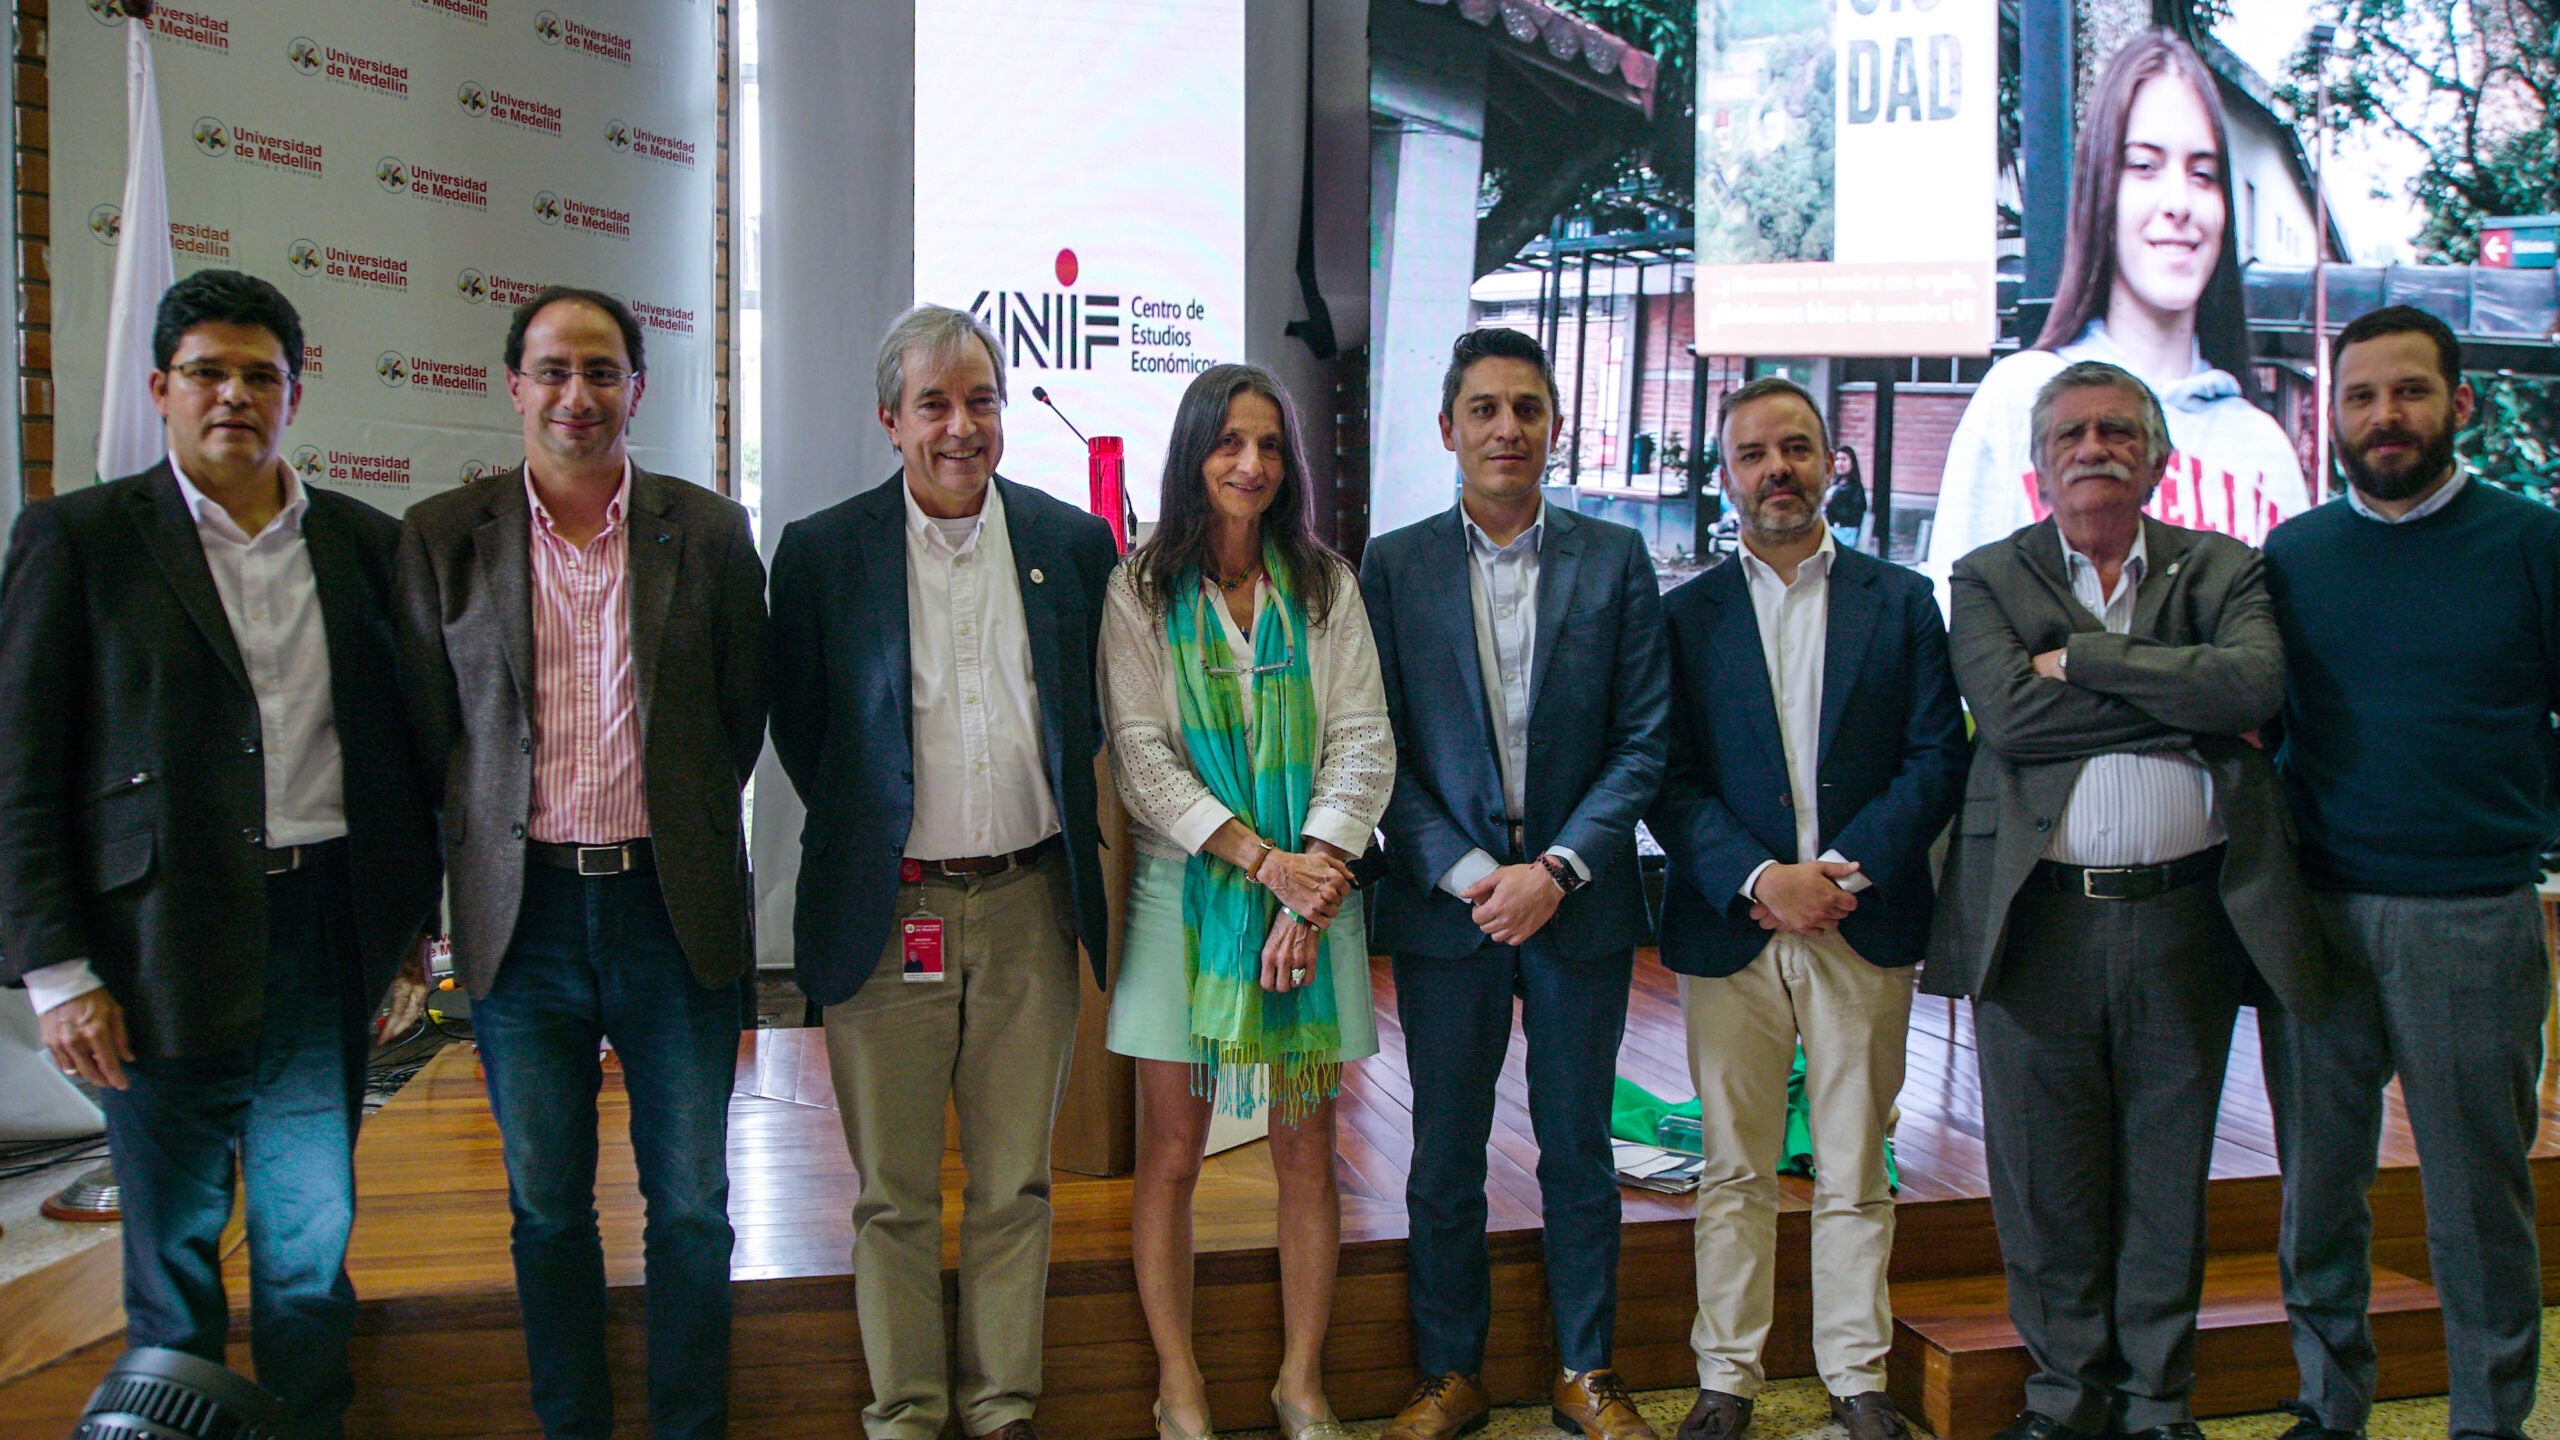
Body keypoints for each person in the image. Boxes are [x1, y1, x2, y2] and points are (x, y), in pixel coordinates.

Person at [0, 270, 440, 1439]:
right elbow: (22, 769)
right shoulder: (79, 541)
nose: (234, 396)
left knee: (308, 1252)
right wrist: (57, 974)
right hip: (151, 956)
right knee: (175, 1256)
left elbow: (405, 760)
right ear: (160, 388)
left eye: (260, 376)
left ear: (294, 395)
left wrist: (409, 936)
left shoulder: (364, 544)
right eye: (208, 373)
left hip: (321, 937)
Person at [1922, 359, 2327, 1440]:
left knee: (2164, 1177)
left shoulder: (2226, 566)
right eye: (2069, 433)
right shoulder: (1986, 574)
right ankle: (2063, 1403)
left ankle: (2156, 1406)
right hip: (2038, 920)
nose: (2091, 446)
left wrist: (2087, 661)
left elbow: (2250, 689)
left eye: (2114, 430)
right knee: (2044, 1187)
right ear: (2040, 463)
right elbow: (2010, 720)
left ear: (2157, 457)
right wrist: (2175, 699)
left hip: (2186, 922)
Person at [396, 287, 766, 1440]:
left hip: (672, 905)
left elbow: (737, 717)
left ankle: (686, 1427)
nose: (577, 395)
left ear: (636, 390)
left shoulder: (705, 533)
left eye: (601, 372)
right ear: (513, 386)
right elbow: (425, 739)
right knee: (548, 1209)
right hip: (525, 918)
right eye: (553, 370)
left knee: (692, 1209)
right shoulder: (441, 538)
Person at [766, 305, 1117, 1440]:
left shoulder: (1072, 545)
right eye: (934, 403)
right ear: (889, 420)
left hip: (1029, 900)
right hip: (888, 912)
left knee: (1016, 1183)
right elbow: (804, 726)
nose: (960, 426)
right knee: (895, 1192)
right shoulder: (822, 553)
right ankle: (908, 1412)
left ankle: (1004, 1406)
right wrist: (885, 840)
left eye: (981, 400)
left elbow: (1094, 723)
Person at [1362, 328, 1672, 1440]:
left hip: (1577, 902)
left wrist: (1556, 867)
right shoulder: (1391, 566)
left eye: (1527, 409)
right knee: (1443, 1151)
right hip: (1450, 909)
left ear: (1552, 426)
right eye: (1484, 409)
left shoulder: (1615, 558)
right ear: (1448, 429)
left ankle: (1585, 1370)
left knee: (1579, 1148)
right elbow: (1375, 742)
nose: (1506, 429)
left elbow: (1643, 739)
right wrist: (1468, 871)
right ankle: (1451, 1373)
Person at [2259, 306, 2560, 1440]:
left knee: (2476, 1200)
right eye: (2361, 396)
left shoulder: (2530, 543)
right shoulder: (2295, 555)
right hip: (2318, 915)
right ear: (2329, 416)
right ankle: (2326, 1408)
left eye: (2409, 393)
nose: (2385, 416)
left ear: (2459, 407)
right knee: (2317, 1193)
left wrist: (2516, 813)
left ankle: (2489, 1420)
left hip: (2472, 916)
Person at [1650, 379, 1968, 1440]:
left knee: (1852, 1159)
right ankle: (1725, 1378)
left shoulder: (1902, 599)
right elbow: (1666, 774)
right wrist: (1758, 879)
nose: (1774, 469)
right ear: (1725, 475)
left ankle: (1856, 1377)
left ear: (1832, 461)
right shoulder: (1681, 616)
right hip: (1729, 923)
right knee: (1734, 1165)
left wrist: (1838, 872)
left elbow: (1936, 756)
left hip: (1858, 917)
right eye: (1751, 454)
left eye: (1795, 448)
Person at [1099, 363, 1394, 1440]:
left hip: (1315, 896)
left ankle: (1300, 1381)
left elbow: (1362, 740)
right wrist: (1262, 864)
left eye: (1269, 444)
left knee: (1305, 1148)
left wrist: (1305, 882)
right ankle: (1179, 1382)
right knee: (1172, 1153)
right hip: (1184, 899)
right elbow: (1140, 761)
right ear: (1193, 454)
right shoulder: (1138, 588)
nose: (1251, 463)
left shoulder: (1324, 587)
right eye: (1228, 441)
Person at [1922, 30, 2310, 605]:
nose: (2178, 202)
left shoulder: (2262, 449)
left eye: (2202, 174)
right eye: (2145, 166)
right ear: (2103, 189)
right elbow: (1949, 637)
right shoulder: (2017, 400)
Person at [1821, 445, 1868, 552]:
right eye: (1837, 459)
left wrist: (1831, 502)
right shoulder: (1833, 484)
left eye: (1844, 459)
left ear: (1852, 463)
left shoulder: (1855, 489)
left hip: (1843, 534)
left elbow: (1853, 515)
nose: (1840, 463)